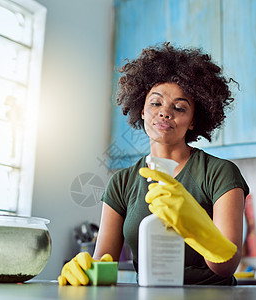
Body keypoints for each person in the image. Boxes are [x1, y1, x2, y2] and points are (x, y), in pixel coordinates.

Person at [58, 43, 249, 286]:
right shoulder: (122, 182)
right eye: (155, 103)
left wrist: (198, 228)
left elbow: (227, 265)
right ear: (141, 111)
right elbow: (104, 263)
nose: (165, 113)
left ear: (193, 121)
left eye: (179, 107)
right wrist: (84, 270)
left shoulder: (220, 172)